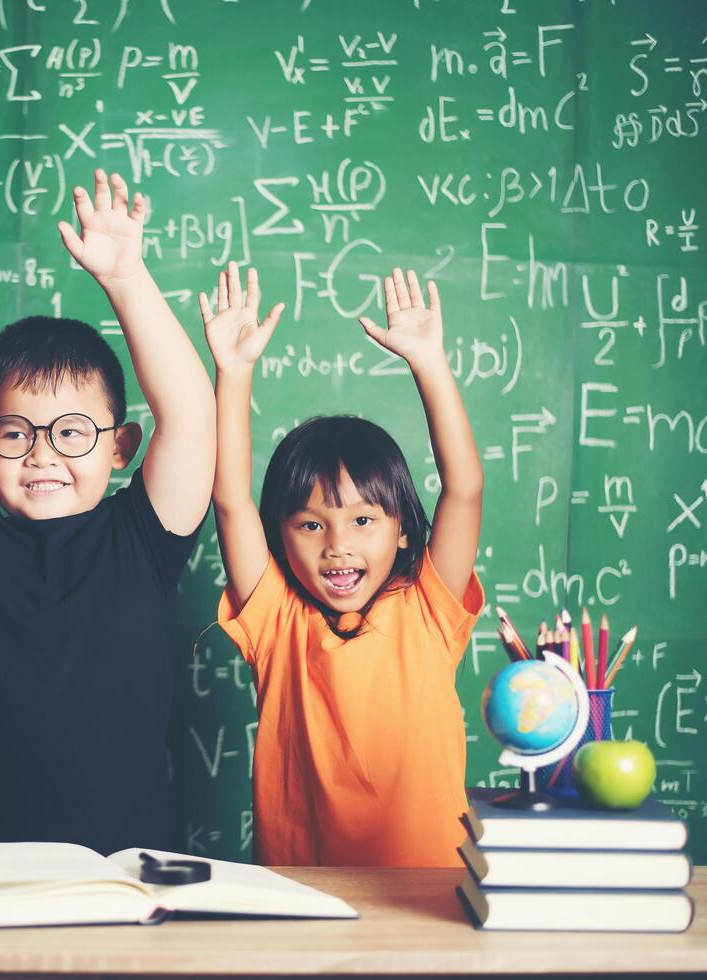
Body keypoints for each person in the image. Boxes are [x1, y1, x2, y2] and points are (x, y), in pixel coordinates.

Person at [0, 172, 216, 860]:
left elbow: (193, 417)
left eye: (72, 431)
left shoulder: (142, 538)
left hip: (125, 880)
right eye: (15, 432)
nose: (42, 454)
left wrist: (126, 277)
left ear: (121, 447)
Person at [205, 263, 484, 867]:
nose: (337, 544)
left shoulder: (429, 612)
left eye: (363, 520)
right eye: (310, 524)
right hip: (306, 904)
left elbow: (464, 489)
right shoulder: (276, 622)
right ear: (280, 536)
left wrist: (429, 363)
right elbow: (229, 497)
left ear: (404, 528)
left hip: (428, 901)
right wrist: (234, 372)